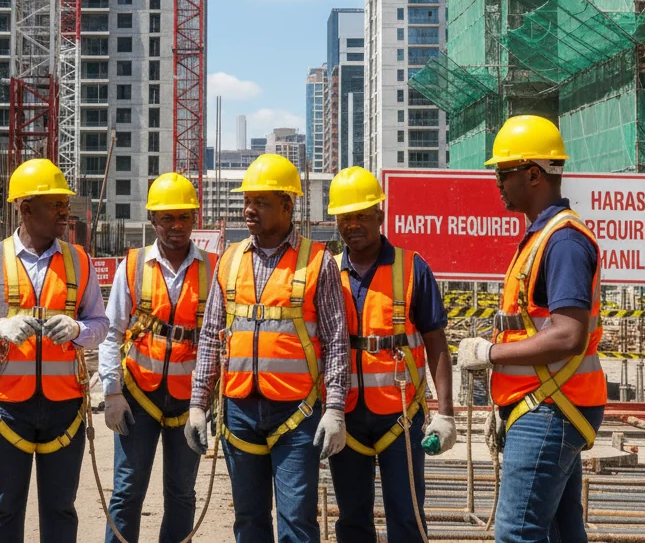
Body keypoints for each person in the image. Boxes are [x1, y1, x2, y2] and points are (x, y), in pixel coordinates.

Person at [456, 115, 606, 543]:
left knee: (517, 533)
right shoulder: (544, 237)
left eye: (503, 173)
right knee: (560, 531)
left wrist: (489, 354)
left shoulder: (563, 242)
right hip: (547, 402)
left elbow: (568, 334)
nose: (497, 184)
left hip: (550, 407)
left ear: (534, 175)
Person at [186, 153, 350, 543]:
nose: (249, 209)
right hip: (239, 409)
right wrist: (197, 404)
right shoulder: (230, 260)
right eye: (247, 200)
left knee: (296, 520)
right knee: (248, 519)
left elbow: (336, 340)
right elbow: (211, 336)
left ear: (287, 206)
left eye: (261, 202)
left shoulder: (317, 261)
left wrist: (335, 408)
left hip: (296, 413)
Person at [0, 158, 107, 543]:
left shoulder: (79, 261)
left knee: (60, 509)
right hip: (7, 406)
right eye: (55, 204)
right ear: (25, 209)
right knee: (4, 508)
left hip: (65, 406)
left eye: (64, 204)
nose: (65, 212)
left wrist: (78, 329)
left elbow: (100, 325)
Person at [325, 166, 455, 542]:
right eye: (345, 218)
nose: (353, 225)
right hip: (346, 415)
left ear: (380, 215)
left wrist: (445, 414)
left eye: (362, 216)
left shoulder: (412, 268)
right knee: (352, 519)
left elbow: (436, 342)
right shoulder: (329, 272)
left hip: (401, 416)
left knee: (406, 515)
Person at [98, 173, 216, 543]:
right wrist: (112, 393)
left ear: (194, 218)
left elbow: (220, 340)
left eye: (184, 217)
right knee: (127, 491)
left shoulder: (213, 269)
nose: (176, 226)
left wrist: (209, 402)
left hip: (189, 402)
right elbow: (112, 332)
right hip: (138, 396)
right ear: (153, 220)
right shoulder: (134, 266)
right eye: (167, 218)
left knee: (181, 493)